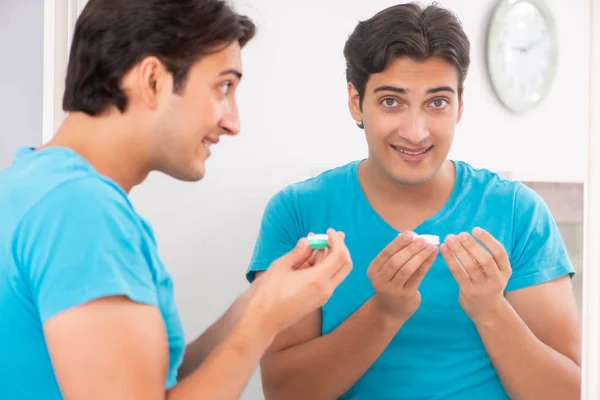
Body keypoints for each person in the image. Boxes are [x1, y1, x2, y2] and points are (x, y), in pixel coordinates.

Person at [0, 0, 353, 399]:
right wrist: (264, 321)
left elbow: (150, 383)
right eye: (224, 87)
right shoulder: (83, 211)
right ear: (152, 80)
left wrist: (258, 299)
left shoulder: (32, 185)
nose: (232, 122)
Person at [247, 3, 581, 399]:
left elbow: (569, 392)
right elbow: (285, 393)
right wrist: (384, 312)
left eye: (437, 102)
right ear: (356, 101)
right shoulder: (298, 213)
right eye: (392, 101)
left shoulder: (518, 213)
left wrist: (491, 310)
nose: (416, 131)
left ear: (459, 105)